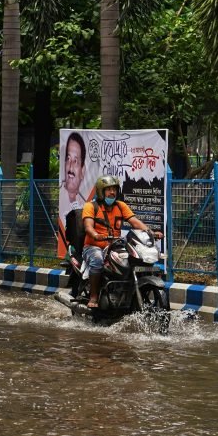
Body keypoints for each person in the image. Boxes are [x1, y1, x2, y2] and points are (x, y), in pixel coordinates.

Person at [81, 174, 163, 309]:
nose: (112, 192)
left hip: (114, 245)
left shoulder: (120, 206)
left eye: (114, 189)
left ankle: (124, 292)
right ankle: (94, 296)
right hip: (94, 246)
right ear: (101, 191)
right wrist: (96, 235)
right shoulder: (91, 206)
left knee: (132, 259)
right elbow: (88, 226)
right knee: (97, 261)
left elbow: (135, 222)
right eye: (108, 189)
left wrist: (151, 232)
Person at [62, 132, 89, 210]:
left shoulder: (86, 204)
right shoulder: (61, 198)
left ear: (82, 170)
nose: (70, 168)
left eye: (75, 161)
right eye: (68, 159)